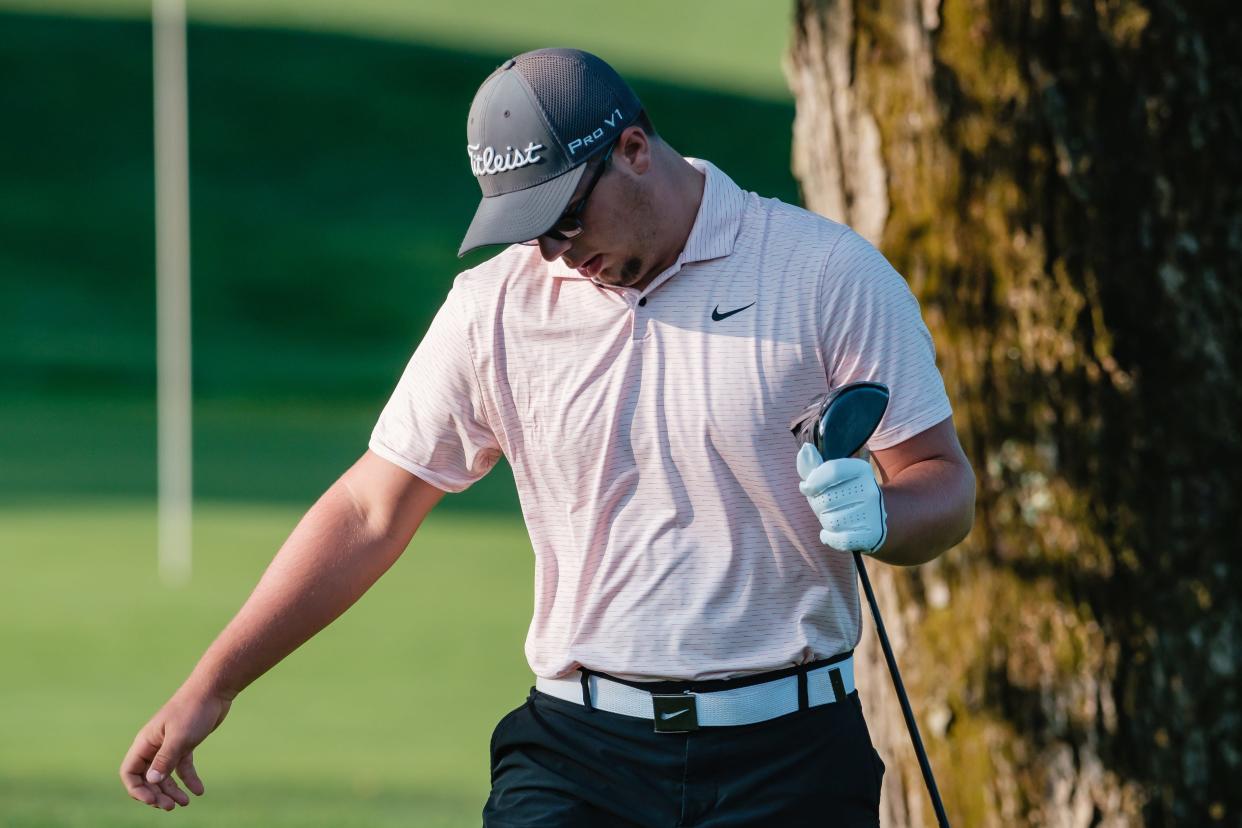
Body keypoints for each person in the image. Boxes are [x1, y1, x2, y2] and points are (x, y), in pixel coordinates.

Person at [120, 48, 975, 826]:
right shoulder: (494, 309)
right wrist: (215, 681)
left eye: (566, 217)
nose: (557, 252)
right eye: (530, 230)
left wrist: (884, 514)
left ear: (635, 150)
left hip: (790, 758)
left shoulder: (824, 274)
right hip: (578, 754)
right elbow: (370, 509)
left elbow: (943, 483)